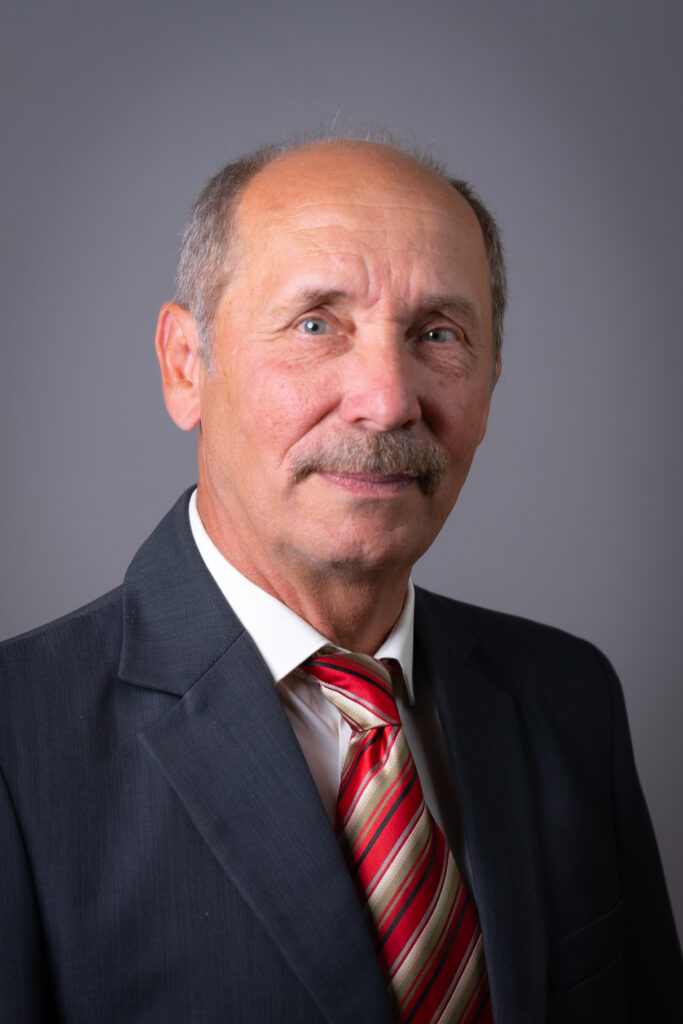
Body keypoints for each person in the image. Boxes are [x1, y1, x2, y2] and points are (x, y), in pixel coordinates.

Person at [1, 135, 681, 1024]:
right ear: (184, 366)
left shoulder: (568, 696)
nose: (388, 400)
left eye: (437, 334)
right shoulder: (18, 744)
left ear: (491, 378)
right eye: (316, 325)